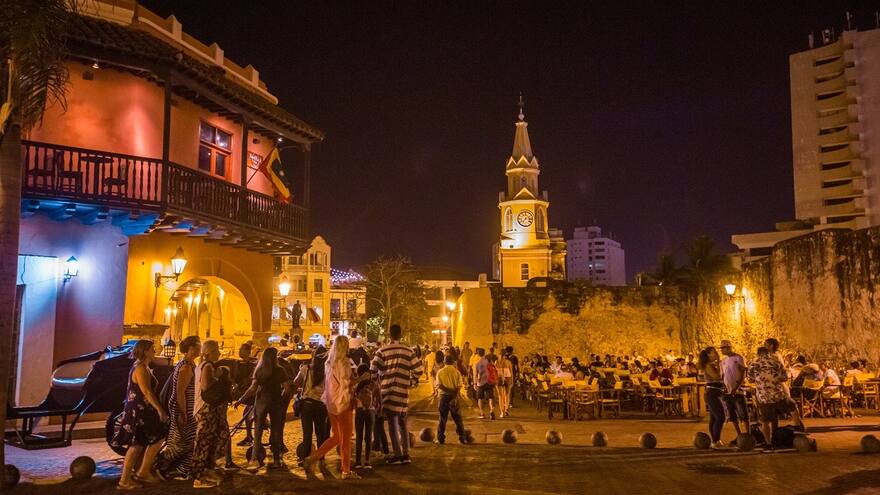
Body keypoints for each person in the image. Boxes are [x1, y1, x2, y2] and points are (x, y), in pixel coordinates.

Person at [113, 340, 167, 490]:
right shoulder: (140, 368)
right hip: (138, 411)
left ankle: (142, 471)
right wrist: (159, 409)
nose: (155, 352)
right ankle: (125, 481)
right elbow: (147, 391)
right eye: (152, 349)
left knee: (150, 439)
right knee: (136, 445)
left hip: (141, 410)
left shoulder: (143, 367)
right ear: (145, 351)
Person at [304, 335, 360, 479]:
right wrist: (362, 378)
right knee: (345, 438)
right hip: (343, 403)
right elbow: (346, 383)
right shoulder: (344, 362)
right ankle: (346, 471)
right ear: (345, 346)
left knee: (337, 436)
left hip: (330, 403)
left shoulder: (329, 363)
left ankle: (313, 458)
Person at [370, 324, 423, 465]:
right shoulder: (409, 351)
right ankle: (406, 454)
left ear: (389, 335)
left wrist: (378, 383)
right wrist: (410, 382)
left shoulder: (382, 351)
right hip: (403, 392)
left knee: (392, 425)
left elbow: (373, 370)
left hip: (388, 392)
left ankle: (398, 455)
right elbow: (419, 370)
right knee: (402, 423)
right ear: (401, 334)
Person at [156, 335, 201, 480]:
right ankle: (159, 465)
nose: (200, 348)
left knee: (190, 440)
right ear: (190, 349)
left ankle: (182, 469)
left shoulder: (189, 364)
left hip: (188, 407)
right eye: (197, 346)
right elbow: (179, 392)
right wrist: (183, 413)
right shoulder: (186, 367)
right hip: (183, 408)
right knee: (180, 442)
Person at [237, 347, 289, 471]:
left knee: (258, 431)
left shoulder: (259, 370)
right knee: (275, 431)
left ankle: (254, 459)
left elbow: (252, 389)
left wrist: (241, 399)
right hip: (275, 400)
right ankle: (276, 460)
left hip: (261, 400)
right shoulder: (280, 370)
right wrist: (281, 398)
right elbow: (287, 388)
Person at [190, 340, 230, 488]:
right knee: (203, 441)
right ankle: (199, 476)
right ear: (210, 352)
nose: (219, 352)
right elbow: (206, 386)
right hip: (205, 409)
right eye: (217, 349)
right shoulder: (207, 366)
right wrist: (218, 376)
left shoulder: (203, 365)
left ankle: (208, 469)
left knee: (213, 438)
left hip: (207, 409)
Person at [747, 346, 799, 451]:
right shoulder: (776, 362)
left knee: (765, 421)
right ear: (768, 353)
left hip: (763, 396)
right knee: (793, 406)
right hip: (777, 394)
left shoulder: (753, 363)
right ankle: (797, 427)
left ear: (758, 353)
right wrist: (774, 378)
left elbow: (750, 379)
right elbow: (785, 377)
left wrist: (761, 380)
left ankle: (768, 443)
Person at [292, 346, 330, 464]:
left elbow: (295, 383)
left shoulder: (305, 368)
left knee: (307, 433)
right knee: (321, 433)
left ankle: (306, 458)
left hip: (307, 405)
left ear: (313, 356)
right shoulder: (328, 371)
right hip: (321, 405)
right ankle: (321, 458)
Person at [719, 340, 748, 441]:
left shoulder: (738, 358)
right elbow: (723, 376)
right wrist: (725, 387)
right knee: (732, 415)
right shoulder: (722, 361)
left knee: (743, 413)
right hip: (728, 391)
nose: (721, 350)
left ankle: (748, 434)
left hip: (738, 390)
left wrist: (736, 387)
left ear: (728, 348)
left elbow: (743, 373)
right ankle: (739, 435)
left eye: (723, 348)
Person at [698, 346, 726, 449]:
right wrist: (719, 362)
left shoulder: (711, 365)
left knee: (714, 418)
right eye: (714, 352)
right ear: (709, 354)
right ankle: (716, 440)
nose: (717, 354)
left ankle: (715, 440)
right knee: (720, 416)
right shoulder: (708, 365)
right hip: (712, 393)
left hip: (716, 392)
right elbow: (717, 376)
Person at [435, 354, 467, 444]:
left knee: (442, 418)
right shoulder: (456, 372)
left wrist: (449, 391)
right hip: (454, 397)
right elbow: (459, 386)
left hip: (443, 398)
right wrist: (454, 394)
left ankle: (440, 438)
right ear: (453, 362)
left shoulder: (440, 372)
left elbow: (439, 385)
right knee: (458, 419)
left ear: (444, 362)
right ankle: (462, 438)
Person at [353, 362, 377, 469]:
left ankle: (358, 461)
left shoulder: (356, 385)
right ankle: (367, 461)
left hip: (359, 411)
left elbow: (351, 398)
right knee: (368, 436)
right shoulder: (374, 384)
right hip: (370, 412)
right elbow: (379, 399)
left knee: (359, 436)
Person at [233, 342, 256, 447]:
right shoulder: (239, 363)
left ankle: (251, 437)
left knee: (250, 414)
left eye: (242, 349)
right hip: (246, 393)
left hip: (252, 394)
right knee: (247, 414)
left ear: (247, 351)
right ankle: (249, 436)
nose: (239, 351)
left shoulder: (253, 364)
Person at [474, 348, 497, 420]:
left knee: (480, 398)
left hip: (481, 382)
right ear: (484, 354)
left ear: (478, 354)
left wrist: (475, 383)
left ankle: (482, 413)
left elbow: (475, 375)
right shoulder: (488, 362)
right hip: (489, 381)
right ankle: (491, 410)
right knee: (490, 397)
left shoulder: (477, 363)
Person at [496, 352, 513, 417]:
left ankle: (502, 412)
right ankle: (506, 410)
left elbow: (495, 371)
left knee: (500, 395)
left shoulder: (497, 362)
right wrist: (512, 381)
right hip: (508, 378)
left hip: (499, 378)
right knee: (507, 395)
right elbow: (511, 372)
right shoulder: (508, 362)